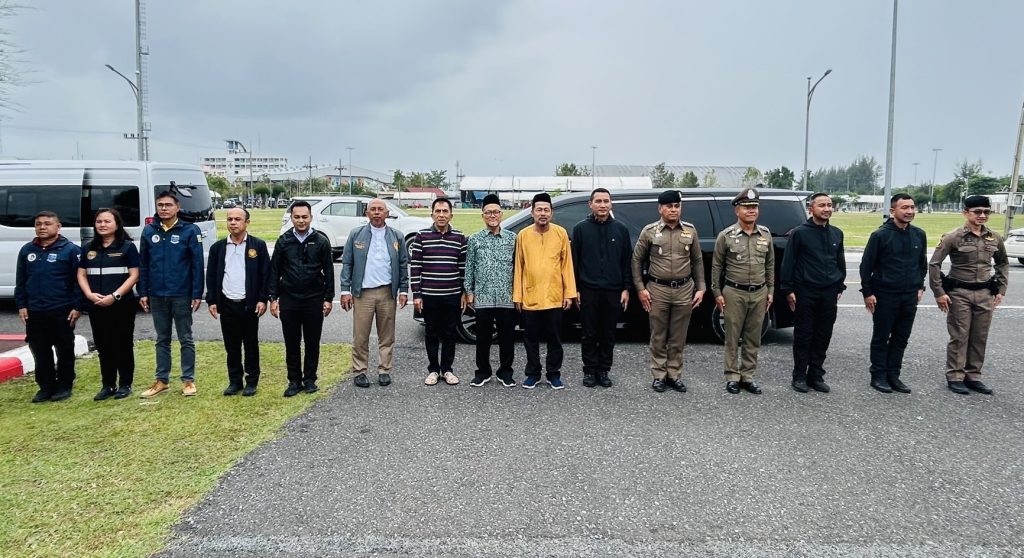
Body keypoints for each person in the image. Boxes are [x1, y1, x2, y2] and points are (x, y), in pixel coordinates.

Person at [928, 195, 1009, 395]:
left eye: (986, 212)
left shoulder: (994, 237)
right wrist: (939, 292)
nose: (982, 215)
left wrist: (1001, 289)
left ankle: (973, 375)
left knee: (980, 336)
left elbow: (1002, 263)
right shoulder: (953, 236)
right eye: (977, 212)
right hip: (959, 293)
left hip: (984, 293)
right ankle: (955, 376)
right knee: (959, 335)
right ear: (966, 213)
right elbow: (934, 264)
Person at [631, 190, 705, 393]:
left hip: (684, 289)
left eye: (677, 206)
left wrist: (701, 288)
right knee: (658, 335)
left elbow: (697, 261)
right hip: (658, 290)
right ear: (660, 208)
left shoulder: (690, 231)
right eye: (669, 206)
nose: (673, 210)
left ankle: (674, 374)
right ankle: (659, 375)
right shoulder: (649, 231)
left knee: (678, 336)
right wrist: (640, 288)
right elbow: (636, 260)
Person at [138, 192, 205, 398]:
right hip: (157, 294)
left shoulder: (190, 230)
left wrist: (197, 293)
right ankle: (161, 380)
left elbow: (197, 264)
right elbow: (143, 264)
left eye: (168, 205)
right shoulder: (149, 230)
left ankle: (188, 381)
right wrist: (143, 292)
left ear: (177, 207)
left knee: (186, 338)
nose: (164, 208)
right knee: (162, 339)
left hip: (181, 294)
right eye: (160, 205)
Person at [860, 194, 927, 394]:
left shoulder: (919, 234)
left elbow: (921, 264)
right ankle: (878, 375)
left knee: (901, 337)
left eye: (912, 207)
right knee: (881, 337)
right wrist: (868, 293)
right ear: (892, 211)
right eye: (904, 207)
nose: (909, 211)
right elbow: (866, 266)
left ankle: (894, 375)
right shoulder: (880, 235)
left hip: (909, 295)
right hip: (885, 294)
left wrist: (920, 286)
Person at [780, 192, 846, 394]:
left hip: (829, 292)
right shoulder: (800, 233)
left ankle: (816, 375)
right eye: (822, 205)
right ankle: (799, 375)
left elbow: (840, 262)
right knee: (804, 335)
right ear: (811, 209)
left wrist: (839, 286)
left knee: (823, 334)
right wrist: (788, 289)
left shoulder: (836, 233)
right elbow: (789, 262)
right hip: (805, 291)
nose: (827, 209)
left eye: (829, 205)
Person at [339, 199, 409, 388]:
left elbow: (403, 264)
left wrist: (403, 290)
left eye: (380, 209)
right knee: (360, 336)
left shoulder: (397, 236)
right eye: (373, 209)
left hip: (387, 292)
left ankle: (384, 370)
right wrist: (345, 290)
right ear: (367, 213)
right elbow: (347, 263)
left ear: (387, 213)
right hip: (363, 294)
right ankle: (360, 371)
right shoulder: (356, 234)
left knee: (387, 335)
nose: (377, 212)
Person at [711, 187, 774, 395]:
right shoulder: (726, 235)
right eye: (746, 207)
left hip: (759, 292)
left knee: (753, 337)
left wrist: (771, 290)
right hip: (734, 292)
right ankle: (732, 376)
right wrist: (717, 292)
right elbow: (717, 266)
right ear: (737, 210)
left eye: (754, 207)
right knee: (732, 336)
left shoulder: (765, 234)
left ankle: (747, 376)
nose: (751, 211)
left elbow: (770, 265)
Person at [269, 200, 335, 397]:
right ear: (291, 218)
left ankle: (310, 380)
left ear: (311, 217)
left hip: (314, 299)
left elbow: (329, 271)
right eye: (296, 217)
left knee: (312, 342)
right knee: (292, 343)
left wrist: (328, 298)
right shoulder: (284, 241)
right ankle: (294, 381)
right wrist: (273, 298)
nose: (301, 220)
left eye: (304, 217)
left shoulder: (321, 241)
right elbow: (274, 271)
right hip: (289, 299)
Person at [16, 211, 83, 403]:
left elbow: (79, 282)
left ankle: (64, 385)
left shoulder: (71, 250)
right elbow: (21, 281)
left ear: (58, 227)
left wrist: (77, 306)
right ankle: (45, 386)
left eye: (47, 223)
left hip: (62, 309)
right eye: (38, 224)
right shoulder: (27, 250)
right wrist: (22, 304)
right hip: (35, 311)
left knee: (64, 349)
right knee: (39, 349)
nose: (42, 227)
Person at [514, 193, 577, 389]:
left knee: (555, 339)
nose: (543, 213)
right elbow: (519, 267)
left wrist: (569, 293)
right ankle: (533, 374)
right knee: (530, 339)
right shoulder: (523, 235)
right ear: (532, 213)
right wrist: (518, 296)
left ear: (551, 213)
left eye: (546, 210)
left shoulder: (560, 233)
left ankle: (553, 374)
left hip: (554, 296)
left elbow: (567, 265)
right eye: (539, 210)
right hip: (530, 296)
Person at [206, 208, 271, 397]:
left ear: (247, 222)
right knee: (231, 345)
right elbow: (211, 276)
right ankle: (235, 381)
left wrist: (262, 299)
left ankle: (251, 381)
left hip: (249, 304)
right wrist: (212, 300)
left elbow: (265, 274)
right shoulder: (218, 248)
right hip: (227, 304)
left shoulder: (257, 246)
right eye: (229, 219)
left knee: (250, 344)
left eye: (237, 219)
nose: (233, 222)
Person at [571, 188, 631, 388]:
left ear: (611, 204)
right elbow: (575, 262)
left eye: (606, 201)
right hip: (588, 290)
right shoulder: (580, 229)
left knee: (608, 333)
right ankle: (589, 371)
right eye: (598, 201)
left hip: (613, 291)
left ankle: (604, 370)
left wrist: (626, 288)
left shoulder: (621, 229)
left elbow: (626, 261)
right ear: (590, 204)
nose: (602, 205)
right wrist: (576, 289)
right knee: (589, 333)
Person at [76, 208, 139, 401]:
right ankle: (108, 385)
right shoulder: (88, 248)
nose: (102, 225)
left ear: (117, 224)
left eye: (107, 221)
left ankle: (125, 384)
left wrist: (115, 295)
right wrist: (89, 294)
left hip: (121, 304)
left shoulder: (127, 247)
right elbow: (81, 274)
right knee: (103, 345)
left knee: (123, 344)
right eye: (99, 221)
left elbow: (134, 275)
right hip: (96, 304)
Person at [410, 197, 467, 386]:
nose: (441, 215)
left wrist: (464, 292)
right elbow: (416, 267)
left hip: (452, 295)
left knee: (450, 334)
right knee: (431, 333)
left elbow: (463, 268)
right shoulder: (421, 236)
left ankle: (447, 370)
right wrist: (416, 294)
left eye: (445, 211)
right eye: (438, 211)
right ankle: (433, 370)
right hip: (429, 295)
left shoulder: (459, 237)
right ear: (432, 214)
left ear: (451, 215)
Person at [465, 194, 518, 387]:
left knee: (507, 338)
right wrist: (469, 291)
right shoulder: (475, 239)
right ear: (483, 216)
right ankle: (483, 372)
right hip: (483, 296)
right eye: (488, 212)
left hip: (507, 296)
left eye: (496, 212)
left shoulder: (512, 239)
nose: (492, 215)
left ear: (501, 214)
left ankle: (506, 372)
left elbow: (518, 267)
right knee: (483, 338)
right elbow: (469, 267)